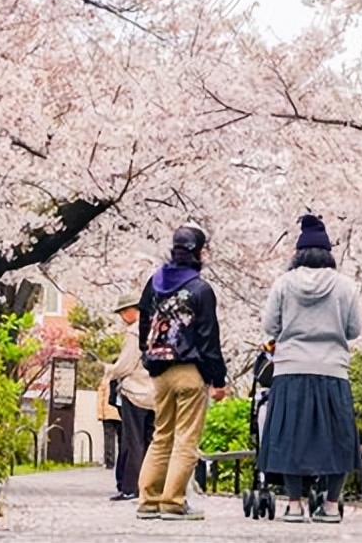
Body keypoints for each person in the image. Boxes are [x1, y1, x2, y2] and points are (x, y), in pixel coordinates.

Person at [258, 213, 362, 523]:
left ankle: (294, 504)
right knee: (338, 437)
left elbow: (270, 326)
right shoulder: (345, 286)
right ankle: (331, 505)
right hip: (332, 369)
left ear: (299, 253)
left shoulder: (283, 284)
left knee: (290, 435)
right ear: (327, 253)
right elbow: (354, 329)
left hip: (290, 369)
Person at [135, 223, 228, 521]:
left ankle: (148, 500)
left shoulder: (154, 283)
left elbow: (143, 324)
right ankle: (173, 502)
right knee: (186, 438)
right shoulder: (200, 289)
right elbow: (208, 337)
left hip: (159, 371)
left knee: (161, 435)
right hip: (189, 370)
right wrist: (218, 379)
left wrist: (147, 357)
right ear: (198, 252)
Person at [102, 293, 156, 501]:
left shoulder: (135, 332)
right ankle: (150, 485)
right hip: (155, 393)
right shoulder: (156, 328)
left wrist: (110, 370)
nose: (123, 317)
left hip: (135, 392)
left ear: (134, 310)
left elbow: (126, 364)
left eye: (124, 312)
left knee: (133, 440)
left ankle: (132, 486)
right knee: (151, 441)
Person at [96, 372, 122, 479]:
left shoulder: (105, 381)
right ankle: (121, 461)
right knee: (122, 439)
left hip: (108, 414)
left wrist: (100, 414)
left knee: (109, 439)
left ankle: (109, 462)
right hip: (120, 414)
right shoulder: (121, 379)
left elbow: (100, 399)